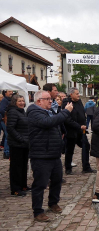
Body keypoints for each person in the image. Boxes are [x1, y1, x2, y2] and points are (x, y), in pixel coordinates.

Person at [27, 90, 73, 222]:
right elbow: (48, 123)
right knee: (40, 184)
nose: (50, 101)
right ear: (39, 101)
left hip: (53, 153)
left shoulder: (49, 111)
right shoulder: (34, 112)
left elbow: (56, 124)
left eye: (50, 99)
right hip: (41, 154)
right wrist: (66, 111)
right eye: (47, 99)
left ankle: (53, 203)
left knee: (57, 180)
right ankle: (38, 211)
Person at [62, 87, 93, 175]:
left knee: (86, 146)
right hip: (71, 131)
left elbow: (82, 114)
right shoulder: (66, 103)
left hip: (81, 131)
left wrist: (84, 123)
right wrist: (79, 126)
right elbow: (67, 120)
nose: (78, 95)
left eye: (78, 93)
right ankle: (68, 168)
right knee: (70, 150)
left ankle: (86, 166)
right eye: (77, 93)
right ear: (71, 94)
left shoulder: (79, 102)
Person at [6, 95, 30, 196]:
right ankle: (16, 188)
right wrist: (21, 139)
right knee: (16, 167)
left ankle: (23, 185)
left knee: (24, 165)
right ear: (14, 102)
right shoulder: (13, 112)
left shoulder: (22, 112)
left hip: (24, 144)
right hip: (16, 144)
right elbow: (10, 128)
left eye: (23, 101)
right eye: (19, 101)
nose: (22, 103)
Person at [0, 90, 13, 159]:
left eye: (11, 91)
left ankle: (6, 150)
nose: (11, 92)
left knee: (6, 135)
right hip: (5, 119)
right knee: (8, 135)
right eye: (9, 91)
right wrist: (5, 117)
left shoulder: (8, 99)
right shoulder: (5, 100)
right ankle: (7, 152)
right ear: (5, 93)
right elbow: (2, 109)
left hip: (7, 119)